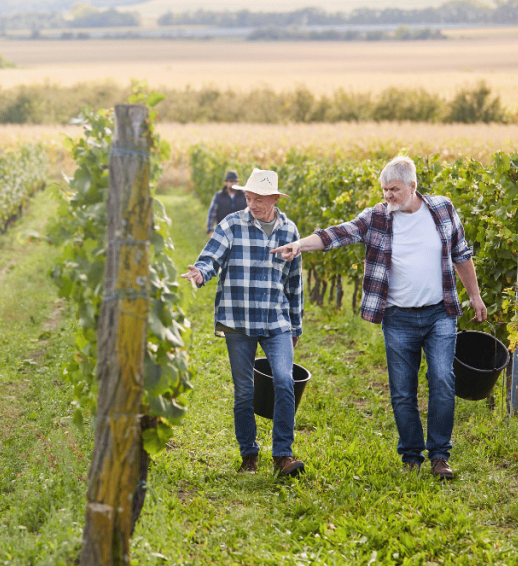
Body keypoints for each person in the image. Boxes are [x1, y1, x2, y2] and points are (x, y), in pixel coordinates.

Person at [271, 155, 486, 480]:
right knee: (402, 390)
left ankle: (440, 456)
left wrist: (475, 295)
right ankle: (411, 454)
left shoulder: (442, 210)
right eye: (384, 189)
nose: (388, 196)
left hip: (440, 313)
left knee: (442, 380)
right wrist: (300, 245)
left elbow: (462, 254)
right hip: (398, 317)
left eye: (395, 190)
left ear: (413, 186)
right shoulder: (377, 218)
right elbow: (337, 234)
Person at [182, 169, 305, 476]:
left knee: (284, 381)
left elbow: (294, 283)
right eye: (249, 197)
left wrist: (296, 326)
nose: (252, 204)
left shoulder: (290, 231)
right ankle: (249, 455)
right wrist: (200, 272)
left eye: (259, 199)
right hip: (238, 319)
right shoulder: (233, 224)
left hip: (276, 320)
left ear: (275, 199)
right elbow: (212, 256)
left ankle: (283, 456)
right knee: (244, 392)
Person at [206, 169, 245, 237]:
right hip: (223, 233)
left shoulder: (245, 196)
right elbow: (211, 214)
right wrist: (210, 230)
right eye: (231, 181)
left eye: (235, 181)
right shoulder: (218, 196)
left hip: (242, 233)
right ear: (226, 183)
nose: (233, 183)